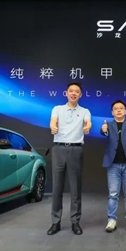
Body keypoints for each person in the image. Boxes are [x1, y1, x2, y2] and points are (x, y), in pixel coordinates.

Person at [47, 82, 92, 236]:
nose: (73, 93)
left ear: (80, 95)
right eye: (71, 91)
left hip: (75, 150)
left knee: (75, 189)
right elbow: (53, 121)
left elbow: (88, 123)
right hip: (58, 149)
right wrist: (53, 126)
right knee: (57, 188)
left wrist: (87, 127)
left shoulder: (85, 111)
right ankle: (55, 222)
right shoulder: (57, 109)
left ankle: (75, 222)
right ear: (66, 93)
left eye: (76, 91)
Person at [100, 100, 126, 233]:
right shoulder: (108, 125)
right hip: (113, 165)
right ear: (112, 112)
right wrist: (104, 130)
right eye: (116, 108)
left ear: (125, 111)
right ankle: (111, 220)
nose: (118, 110)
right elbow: (103, 132)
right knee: (113, 194)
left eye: (121, 108)